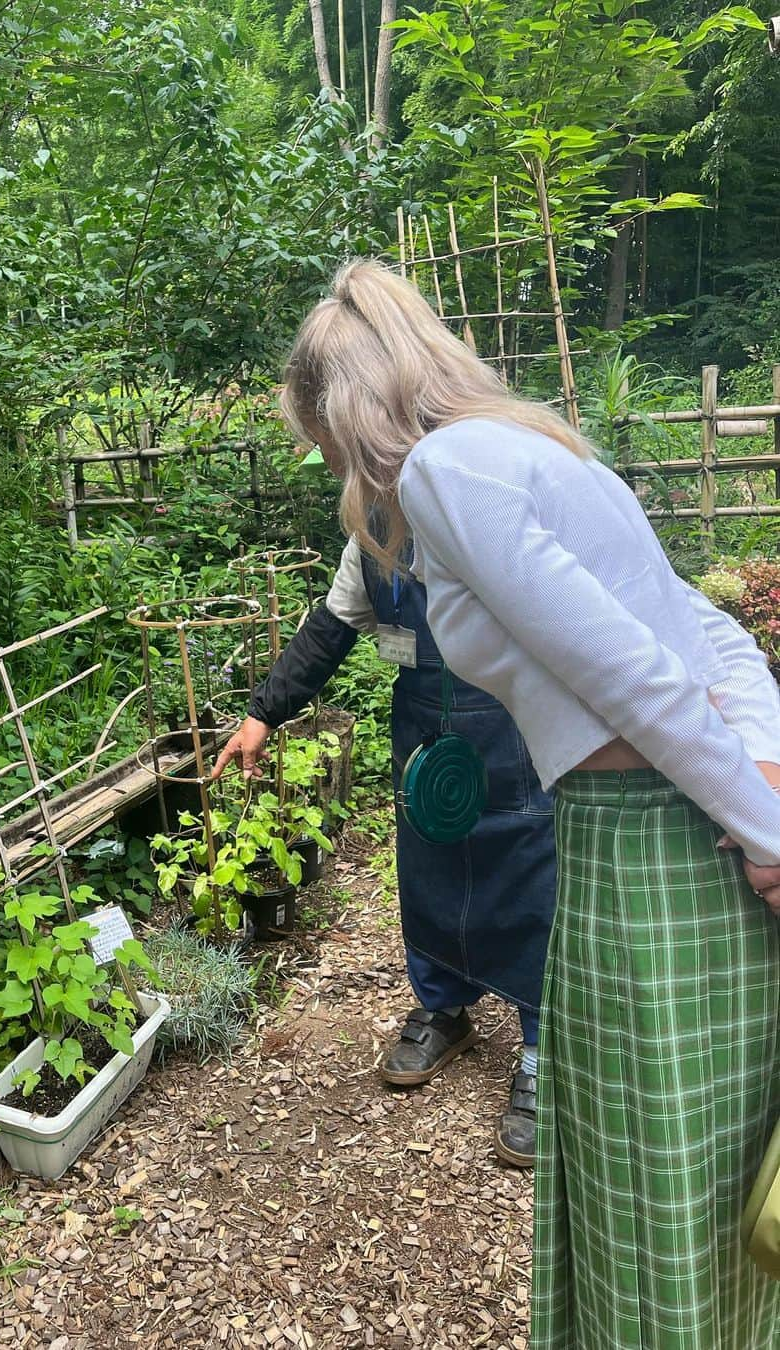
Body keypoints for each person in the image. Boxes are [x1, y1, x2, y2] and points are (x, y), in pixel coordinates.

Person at [269, 256, 780, 1349]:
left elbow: (642, 676)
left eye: (321, 436)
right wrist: (765, 780)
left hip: (645, 845)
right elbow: (707, 636)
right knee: (709, 1185)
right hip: (673, 818)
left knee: (657, 1194)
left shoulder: (448, 477)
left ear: (348, 406)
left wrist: (770, 828)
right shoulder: (544, 452)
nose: (329, 466)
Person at [212, 524, 556, 1168]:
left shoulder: (484, 516)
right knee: (430, 874)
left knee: (528, 877)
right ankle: (444, 1007)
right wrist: (264, 711)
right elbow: (331, 629)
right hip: (423, 732)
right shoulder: (368, 541)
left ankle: (544, 1047)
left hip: (514, 731)